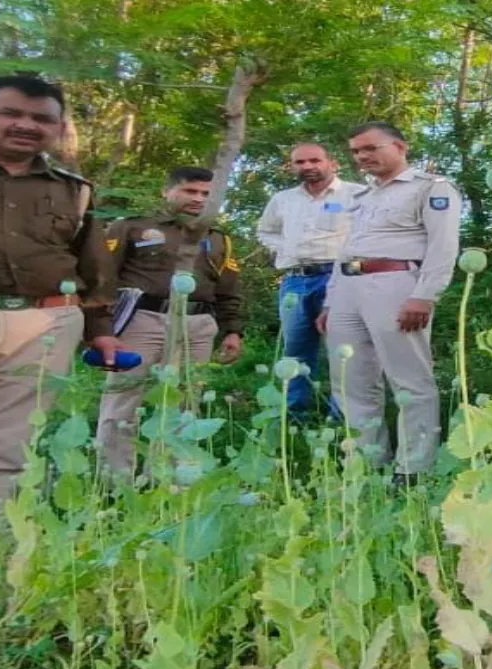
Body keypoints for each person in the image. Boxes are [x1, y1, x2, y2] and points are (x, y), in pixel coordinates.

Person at [0, 76, 116, 562]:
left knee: (7, 446)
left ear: (58, 127)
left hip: (46, 323)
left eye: (41, 119)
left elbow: (92, 264)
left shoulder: (74, 190)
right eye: (10, 113)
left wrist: (100, 331)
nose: (26, 125)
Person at [317, 122, 461, 484]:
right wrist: (331, 301)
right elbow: (346, 250)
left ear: (400, 146)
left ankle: (413, 469)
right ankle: (365, 465)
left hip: (396, 285)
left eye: (371, 148)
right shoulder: (362, 196)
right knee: (350, 381)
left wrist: (424, 295)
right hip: (348, 288)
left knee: (410, 380)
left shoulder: (431, 187)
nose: (362, 157)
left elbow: (443, 245)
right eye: (356, 151)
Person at [94, 167, 244, 476]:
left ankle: (169, 480)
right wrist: (100, 326)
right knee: (123, 400)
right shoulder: (132, 227)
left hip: (198, 325)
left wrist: (233, 331)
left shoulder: (218, 239)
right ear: (168, 191)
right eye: (190, 191)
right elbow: (101, 278)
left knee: (185, 405)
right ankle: (113, 482)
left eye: (206, 194)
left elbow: (228, 289)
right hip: (143, 320)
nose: (198, 199)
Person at [257, 143, 363, 421]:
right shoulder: (282, 199)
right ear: (292, 166)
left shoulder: (356, 194)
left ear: (332, 163)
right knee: (295, 350)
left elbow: (371, 233)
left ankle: (343, 420)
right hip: (295, 279)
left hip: (340, 276)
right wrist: (285, 248)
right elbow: (265, 231)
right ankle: (295, 419)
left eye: (314, 160)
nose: (307, 166)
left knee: (343, 349)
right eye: (300, 162)